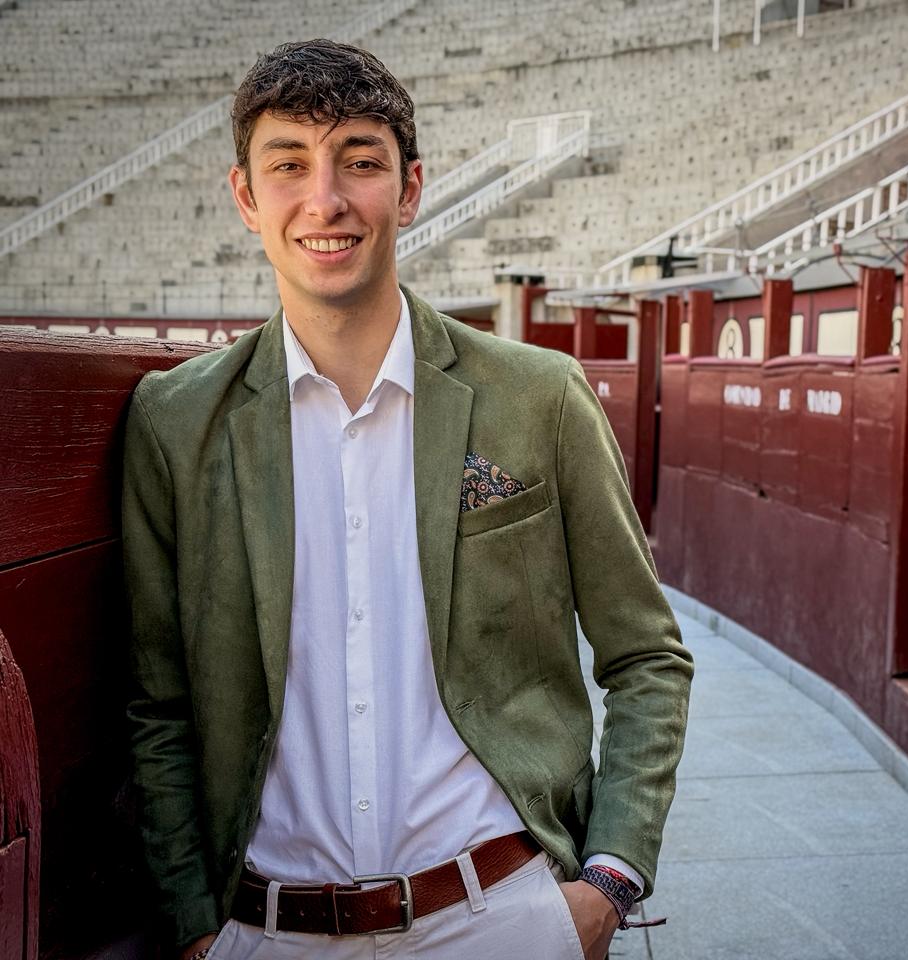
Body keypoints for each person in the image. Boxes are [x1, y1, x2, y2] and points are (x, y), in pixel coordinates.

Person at [121, 38, 692, 960]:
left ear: (411, 186)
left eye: (360, 161)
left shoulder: (538, 396)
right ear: (246, 197)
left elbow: (646, 654)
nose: (326, 200)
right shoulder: (176, 422)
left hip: (501, 914)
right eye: (289, 165)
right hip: (267, 931)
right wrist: (195, 926)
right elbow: (159, 704)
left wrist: (609, 881)